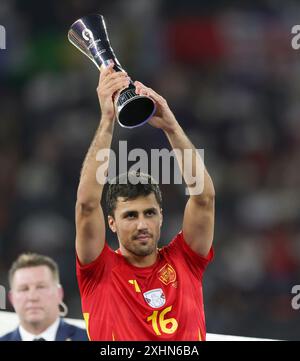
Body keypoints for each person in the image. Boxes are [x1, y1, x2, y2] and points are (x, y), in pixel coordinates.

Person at [75, 63, 215, 341]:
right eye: (130, 215)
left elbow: (204, 198)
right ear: (111, 223)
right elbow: (88, 205)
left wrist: (172, 127)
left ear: (161, 216)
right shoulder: (98, 271)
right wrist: (107, 120)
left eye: (149, 213)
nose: (142, 224)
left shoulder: (184, 261)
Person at [0, 253, 88, 341]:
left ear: (59, 293)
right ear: (11, 298)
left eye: (41, 287)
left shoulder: (90, 338)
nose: (32, 297)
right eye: (24, 289)